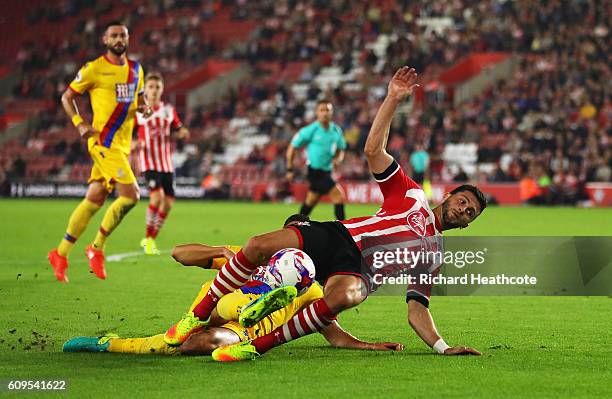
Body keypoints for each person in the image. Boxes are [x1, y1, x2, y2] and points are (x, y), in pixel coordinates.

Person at [164, 67, 487, 361]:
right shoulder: (412, 193)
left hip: (356, 271)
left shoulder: (434, 255)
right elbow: (374, 151)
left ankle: (255, 346)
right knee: (258, 245)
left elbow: (417, 308)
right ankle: (198, 314)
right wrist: (392, 99)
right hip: (339, 236)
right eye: (462, 201)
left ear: (469, 223)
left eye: (470, 212)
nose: (464, 210)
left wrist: (443, 347)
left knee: (347, 295)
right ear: (448, 195)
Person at [63, 215, 403, 356]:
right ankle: (108, 343)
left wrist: (366, 345)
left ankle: (114, 345)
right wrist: (219, 252)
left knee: (202, 343)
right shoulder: (247, 257)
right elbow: (180, 254)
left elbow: (333, 333)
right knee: (175, 338)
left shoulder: (312, 288)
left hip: (244, 331)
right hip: (216, 304)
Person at [47, 21, 150, 283]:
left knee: (94, 199)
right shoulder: (93, 69)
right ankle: (96, 247)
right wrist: (79, 123)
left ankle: (60, 253)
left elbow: (139, 99)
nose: (118, 39)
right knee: (131, 195)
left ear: (128, 39)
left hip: (122, 145)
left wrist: (144, 107)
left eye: (123, 35)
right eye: (114, 35)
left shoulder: (136, 69)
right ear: (105, 40)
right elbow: (67, 97)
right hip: (103, 142)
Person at [135, 73, 189, 255]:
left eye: (157, 87)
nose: (154, 91)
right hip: (149, 161)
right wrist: (132, 144)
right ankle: (148, 239)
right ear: (145, 90)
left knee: (168, 203)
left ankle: (151, 238)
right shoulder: (139, 111)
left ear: (162, 89)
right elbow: (126, 134)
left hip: (166, 163)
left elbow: (178, 128)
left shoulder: (168, 110)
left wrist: (182, 133)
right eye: (150, 87)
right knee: (156, 198)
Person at [286, 100, 347, 220]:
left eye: (327, 110)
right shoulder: (310, 130)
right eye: (322, 110)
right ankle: (344, 229)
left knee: (311, 200)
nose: (325, 113)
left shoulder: (336, 130)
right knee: (338, 196)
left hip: (327, 171)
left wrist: (337, 159)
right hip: (315, 171)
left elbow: (341, 149)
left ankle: (296, 223)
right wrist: (289, 168)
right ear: (317, 113)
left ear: (332, 112)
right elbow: (292, 147)